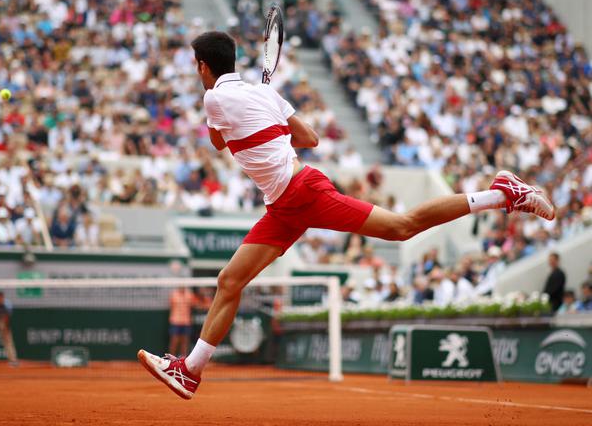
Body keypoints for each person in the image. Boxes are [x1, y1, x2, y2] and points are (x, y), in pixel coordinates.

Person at [137, 31, 555, 400]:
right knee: (230, 280)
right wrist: (268, 107)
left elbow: (217, 144)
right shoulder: (263, 93)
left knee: (401, 227)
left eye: (197, 68)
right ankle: (190, 372)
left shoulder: (214, 97)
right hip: (282, 205)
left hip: (302, 193)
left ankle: (502, 194)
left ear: (202, 66)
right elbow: (311, 138)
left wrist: (256, 113)